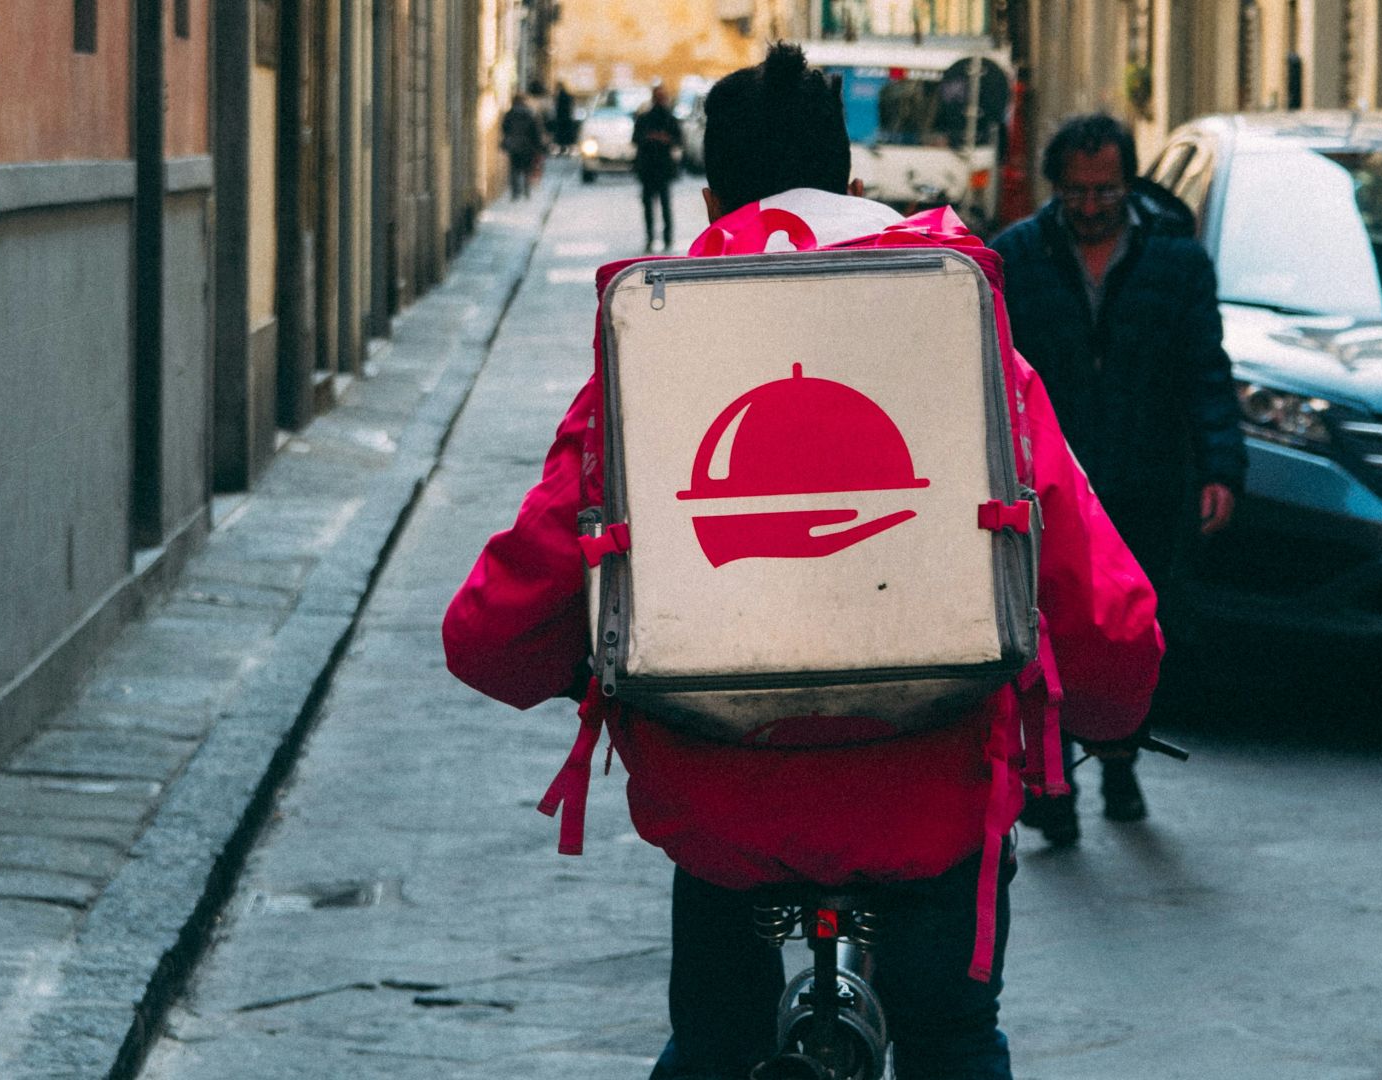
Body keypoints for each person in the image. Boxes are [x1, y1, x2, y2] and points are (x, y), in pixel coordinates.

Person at [442, 44, 1163, 1080]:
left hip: (725, 808)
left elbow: (493, 628)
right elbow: (1097, 596)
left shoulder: (653, 355)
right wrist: (1107, 706)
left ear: (710, 199)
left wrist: (572, 667)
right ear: (855, 186)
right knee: (954, 1041)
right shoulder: (964, 337)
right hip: (933, 798)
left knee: (715, 1044)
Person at [989, 113, 1246, 844]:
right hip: (1053, 489)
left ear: (1128, 184)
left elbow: (1206, 371)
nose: (1092, 207)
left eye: (1105, 191)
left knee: (1134, 634)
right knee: (1053, 636)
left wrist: (1221, 467)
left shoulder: (1178, 262)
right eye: (1076, 193)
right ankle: (1055, 787)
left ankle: (1122, 761)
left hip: (1148, 479)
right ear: (1055, 188)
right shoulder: (1018, 259)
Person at [633, 83, 683, 253]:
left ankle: (667, 237)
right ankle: (650, 237)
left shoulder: (670, 118)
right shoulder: (644, 118)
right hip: (648, 167)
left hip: (662, 168)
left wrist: (665, 139)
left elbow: (678, 139)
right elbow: (636, 138)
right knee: (649, 205)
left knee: (665, 204)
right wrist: (651, 138)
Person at [501, 92, 546, 200]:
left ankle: (515, 192)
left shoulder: (509, 113)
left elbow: (504, 128)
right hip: (527, 145)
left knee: (514, 169)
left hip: (514, 145)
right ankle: (526, 191)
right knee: (527, 169)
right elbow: (535, 131)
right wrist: (538, 146)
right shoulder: (530, 113)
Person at [551, 82, 579, 155]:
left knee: (561, 136)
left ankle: (562, 149)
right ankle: (568, 149)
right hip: (567, 119)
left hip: (561, 119)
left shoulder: (559, 96)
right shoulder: (568, 96)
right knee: (567, 136)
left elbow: (556, 108)